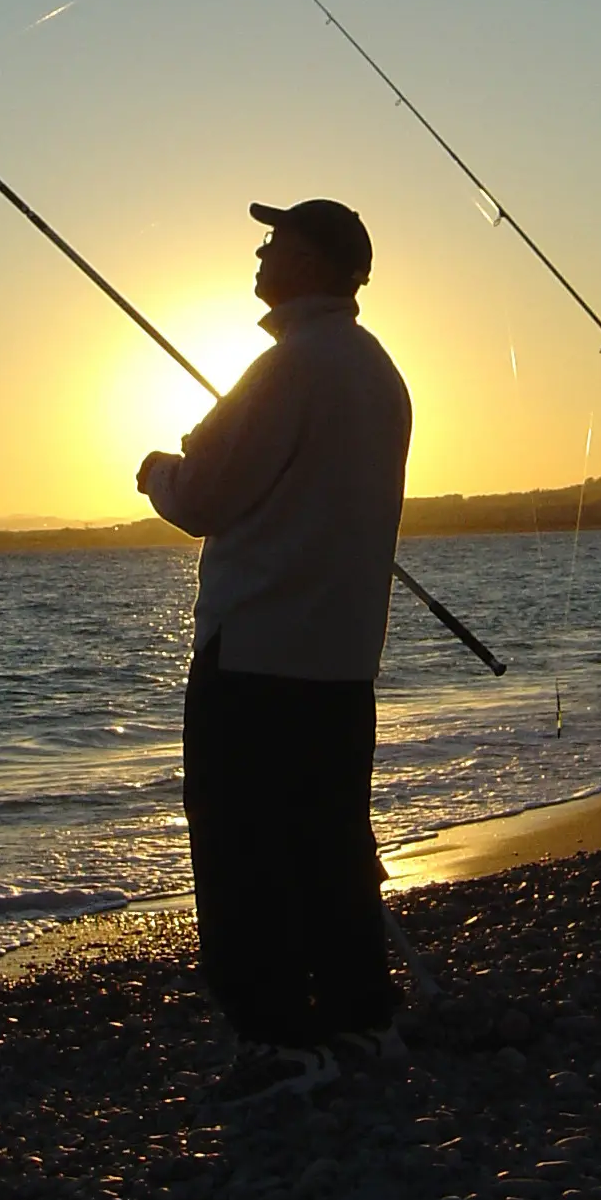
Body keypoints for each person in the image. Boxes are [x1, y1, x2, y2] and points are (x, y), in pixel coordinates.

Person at [137, 198, 413, 1108]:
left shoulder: (289, 368)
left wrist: (157, 473)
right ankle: (360, 1020)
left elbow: (206, 496)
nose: (260, 250)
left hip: (254, 655)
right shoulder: (380, 373)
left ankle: (277, 1041)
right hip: (341, 661)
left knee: (243, 851)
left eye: (276, 240)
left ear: (315, 260)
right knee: (330, 844)